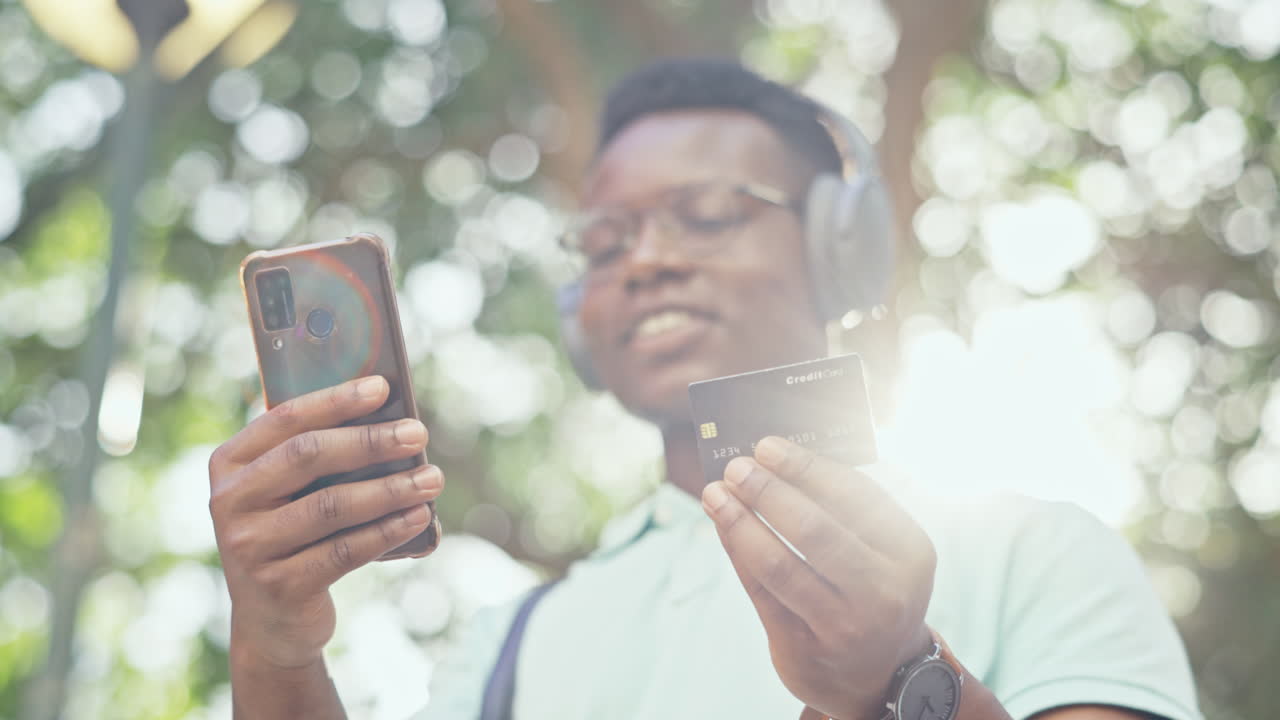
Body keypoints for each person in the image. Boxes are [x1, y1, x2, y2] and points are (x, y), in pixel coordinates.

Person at [208, 59, 1202, 720]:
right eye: (604, 240)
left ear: (836, 248)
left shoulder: (1031, 549)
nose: (644, 261)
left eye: (707, 213)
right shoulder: (507, 645)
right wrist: (277, 647)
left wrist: (899, 682)